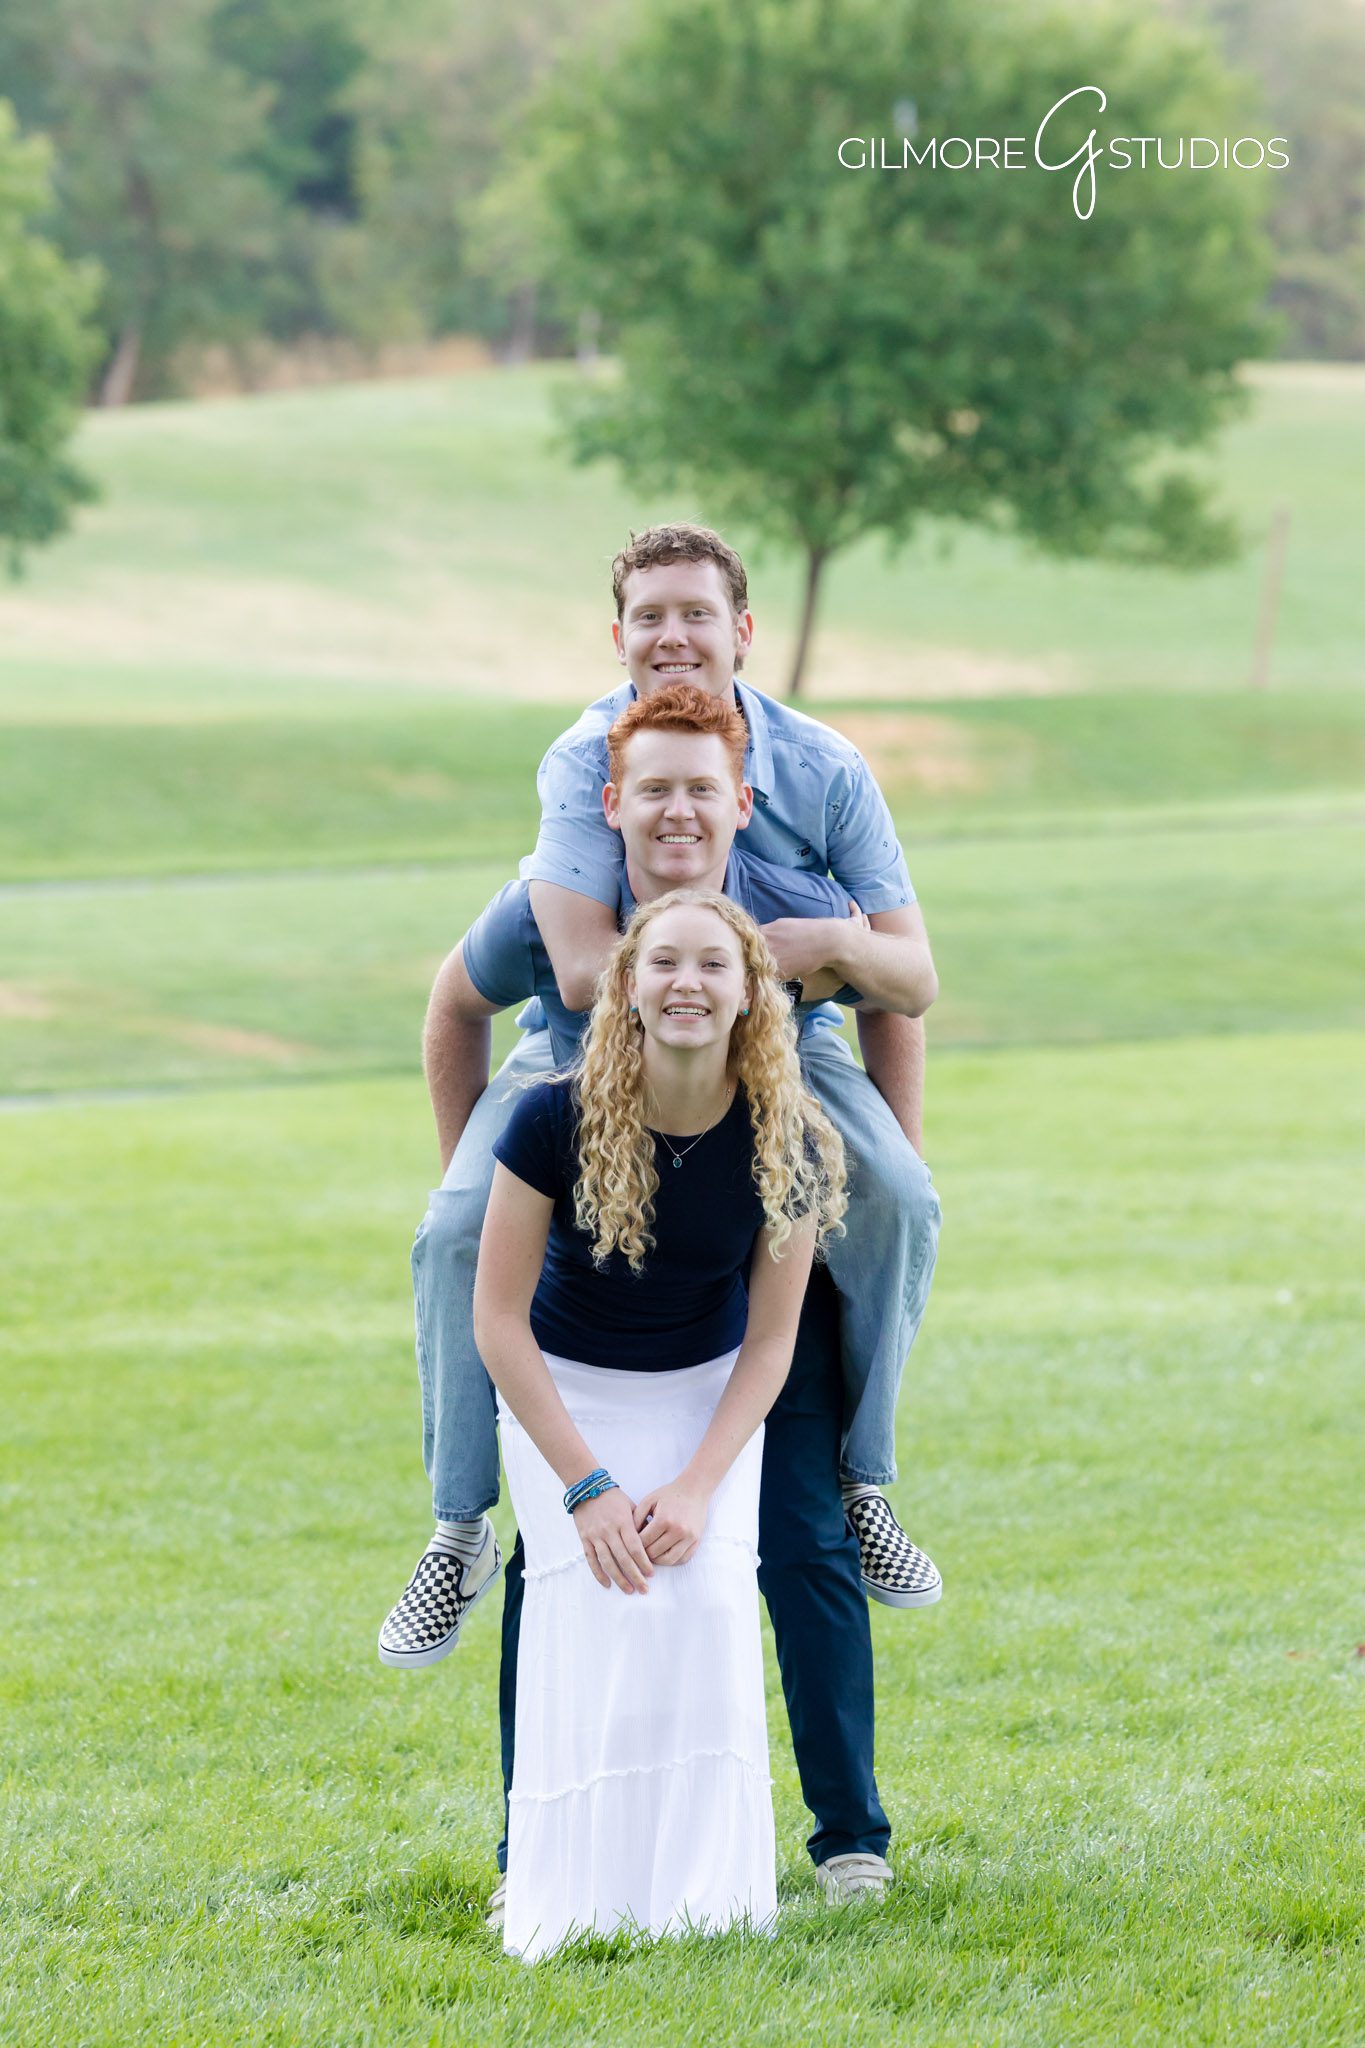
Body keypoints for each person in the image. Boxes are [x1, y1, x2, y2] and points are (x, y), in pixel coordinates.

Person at [473, 886, 846, 1957]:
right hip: (565, 1394)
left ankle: (707, 1903)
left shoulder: (794, 1139)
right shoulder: (550, 1115)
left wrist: (695, 1484)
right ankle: (572, 1899)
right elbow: (497, 1320)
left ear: (750, 996)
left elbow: (771, 1344)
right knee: (594, 1618)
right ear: (628, 987)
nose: (687, 981)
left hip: (706, 1395)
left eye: (713, 965)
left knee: (707, 1608)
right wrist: (586, 1485)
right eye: (664, 962)